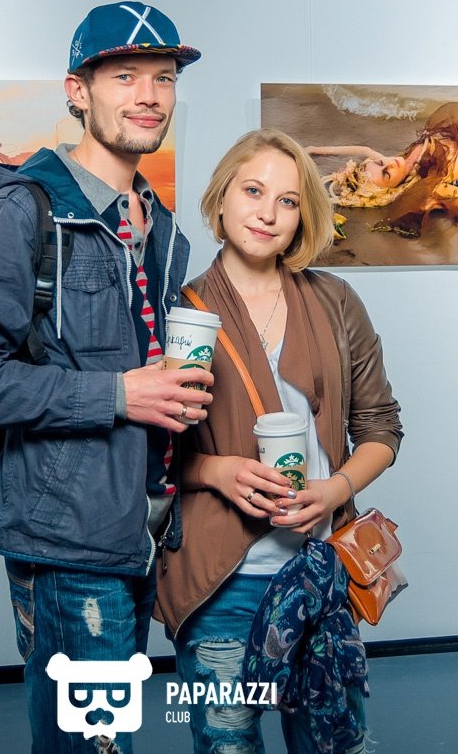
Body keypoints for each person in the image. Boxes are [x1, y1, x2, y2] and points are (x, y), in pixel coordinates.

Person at [0, 1, 209, 754]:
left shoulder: (159, 224)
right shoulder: (26, 210)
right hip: (66, 544)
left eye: (163, 78)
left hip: (139, 534)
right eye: (125, 76)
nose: (149, 95)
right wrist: (120, 394)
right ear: (78, 91)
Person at [155, 129, 404, 753]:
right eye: (253, 191)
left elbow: (381, 427)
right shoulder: (176, 312)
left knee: (334, 745)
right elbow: (139, 451)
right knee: (228, 745)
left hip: (321, 570)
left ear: (302, 217)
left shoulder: (335, 301)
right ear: (220, 199)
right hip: (221, 581)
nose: (267, 213)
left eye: (287, 200)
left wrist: (336, 489)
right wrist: (215, 471)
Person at [306, 102, 458, 238]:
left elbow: (363, 149)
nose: (389, 163)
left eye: (380, 163)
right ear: (392, 188)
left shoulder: (400, 161)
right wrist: (435, 202)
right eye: (387, 173)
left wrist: (314, 149)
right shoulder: (429, 180)